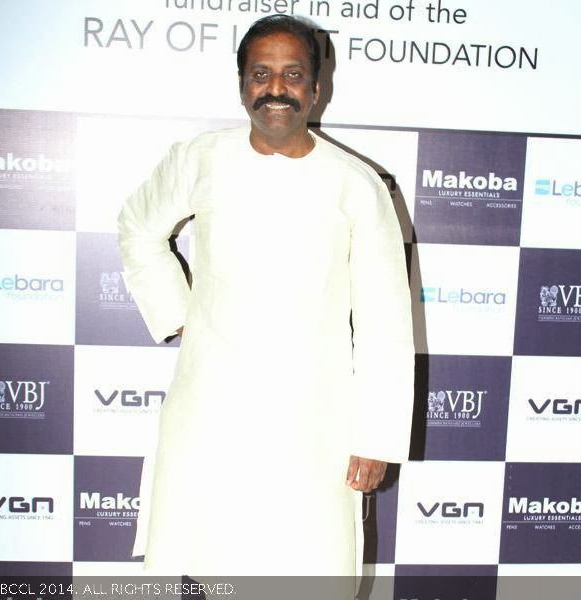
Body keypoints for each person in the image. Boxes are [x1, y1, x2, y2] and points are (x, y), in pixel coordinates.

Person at [118, 14, 414, 579]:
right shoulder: (200, 158)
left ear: (316, 88)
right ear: (241, 83)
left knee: (310, 568)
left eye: (293, 74)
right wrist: (180, 315)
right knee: (207, 565)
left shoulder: (357, 184)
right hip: (211, 411)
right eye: (261, 73)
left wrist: (375, 436)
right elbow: (138, 226)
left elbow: (386, 322)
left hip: (314, 420)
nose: (276, 88)